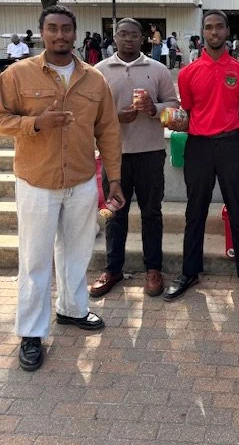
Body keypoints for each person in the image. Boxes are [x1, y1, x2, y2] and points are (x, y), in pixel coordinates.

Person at [0, 5, 124, 371]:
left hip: (83, 180)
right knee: (35, 259)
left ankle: (72, 309)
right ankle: (31, 333)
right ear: (41, 32)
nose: (59, 35)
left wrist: (113, 177)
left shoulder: (94, 79)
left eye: (66, 29)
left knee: (77, 251)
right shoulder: (17, 75)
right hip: (37, 181)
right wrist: (36, 123)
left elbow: (109, 131)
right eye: (52, 29)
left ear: (75, 33)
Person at [163, 9, 239, 307]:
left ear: (228, 31)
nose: (214, 32)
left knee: (237, 211)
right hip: (199, 147)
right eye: (208, 27)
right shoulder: (189, 73)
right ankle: (189, 272)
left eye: (219, 27)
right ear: (202, 32)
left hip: (231, 145)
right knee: (195, 212)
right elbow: (187, 114)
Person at [91, 18, 179, 299]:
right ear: (114, 38)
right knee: (115, 214)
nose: (128, 39)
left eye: (134, 35)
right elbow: (88, 115)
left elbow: (174, 109)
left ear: (143, 39)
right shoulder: (98, 72)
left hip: (151, 154)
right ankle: (113, 268)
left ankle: (153, 269)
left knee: (152, 213)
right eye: (122, 34)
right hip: (114, 156)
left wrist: (154, 109)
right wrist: (115, 118)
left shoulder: (158, 69)